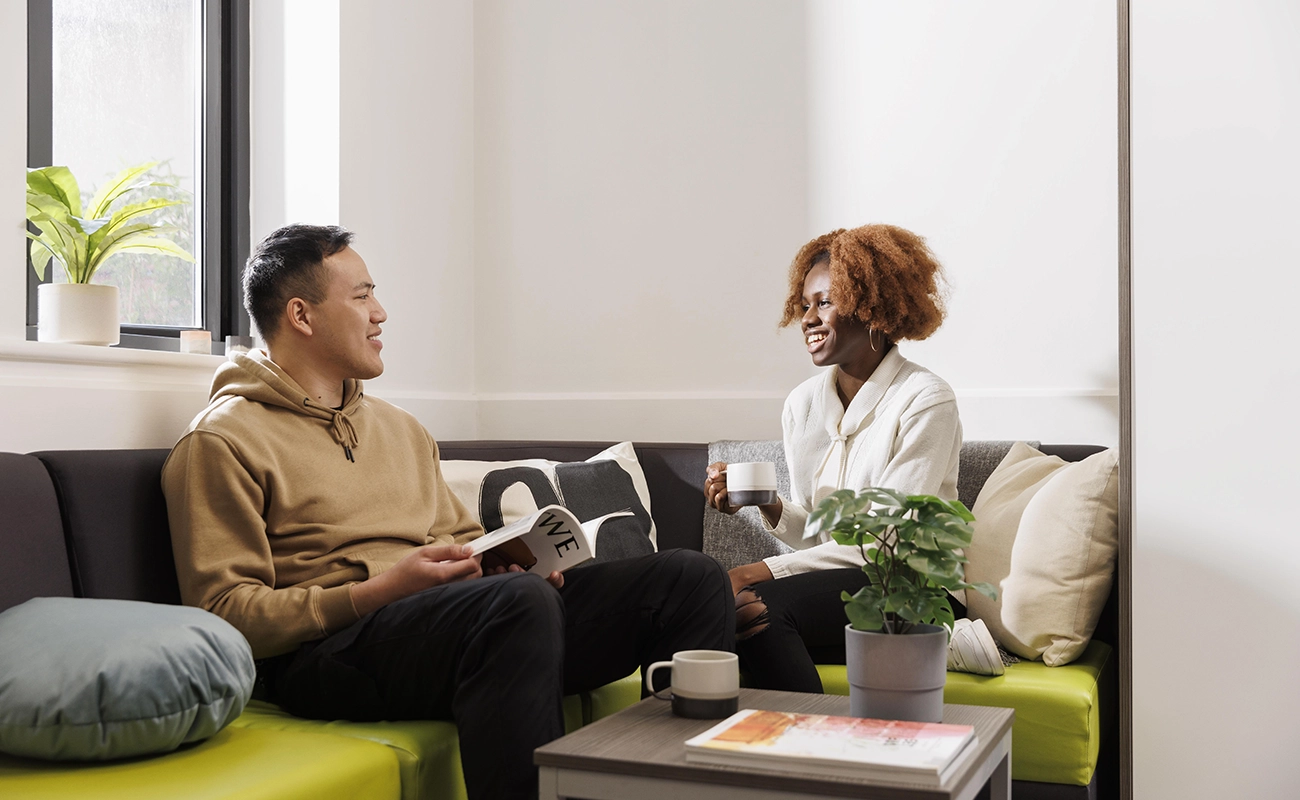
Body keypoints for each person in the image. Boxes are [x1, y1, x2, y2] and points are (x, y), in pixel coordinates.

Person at [162, 224, 734, 800]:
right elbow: (223, 614)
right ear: (301, 316)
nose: (380, 312)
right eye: (361, 296)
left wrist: (506, 563)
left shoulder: (401, 429)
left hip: (453, 626)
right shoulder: (221, 441)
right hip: (327, 655)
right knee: (518, 606)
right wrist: (379, 592)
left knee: (688, 579)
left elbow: (463, 539)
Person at [703, 223, 1001, 693]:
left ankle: (816, 751)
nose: (808, 318)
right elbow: (820, 539)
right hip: (840, 587)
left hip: (911, 588)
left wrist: (760, 570)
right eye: (805, 305)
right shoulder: (801, 406)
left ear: (872, 307)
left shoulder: (926, 400)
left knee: (755, 606)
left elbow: (889, 540)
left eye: (825, 302)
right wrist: (767, 503)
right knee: (705, 609)